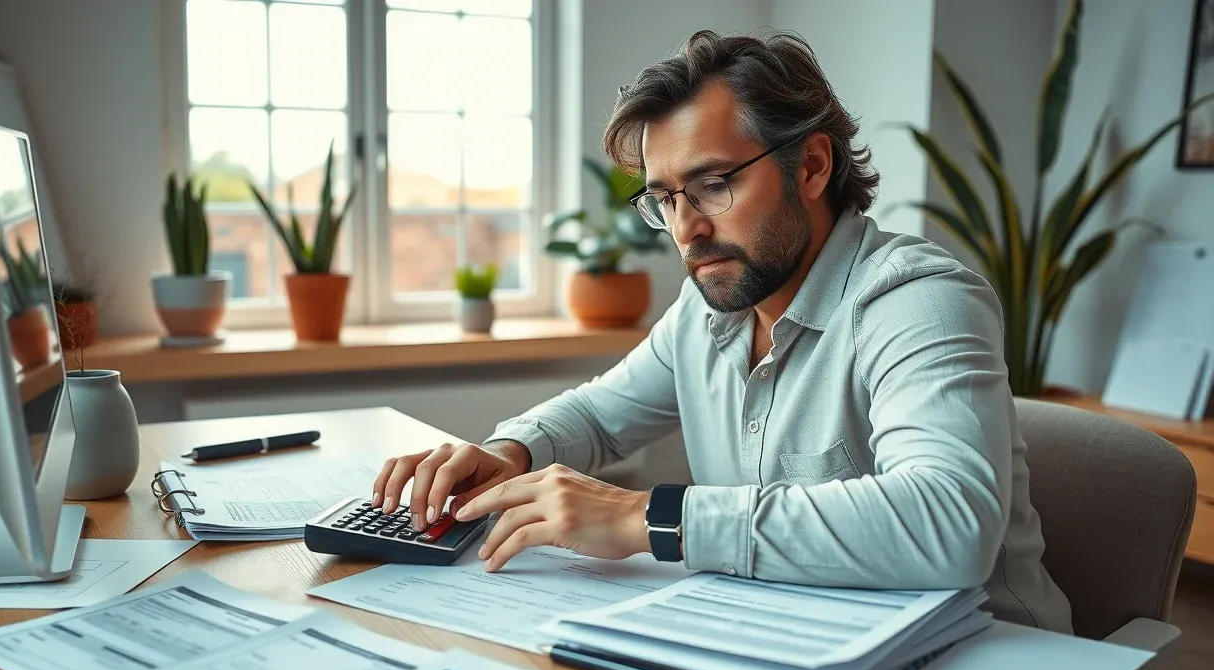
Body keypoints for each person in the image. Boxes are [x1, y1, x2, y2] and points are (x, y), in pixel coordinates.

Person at [372, 29, 1073, 632]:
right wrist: (510, 451)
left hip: (990, 666)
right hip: (793, 640)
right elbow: (599, 415)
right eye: (665, 199)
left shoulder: (918, 299)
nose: (687, 229)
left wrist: (649, 518)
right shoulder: (711, 306)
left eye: (713, 185)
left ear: (812, 166)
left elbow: (949, 523)